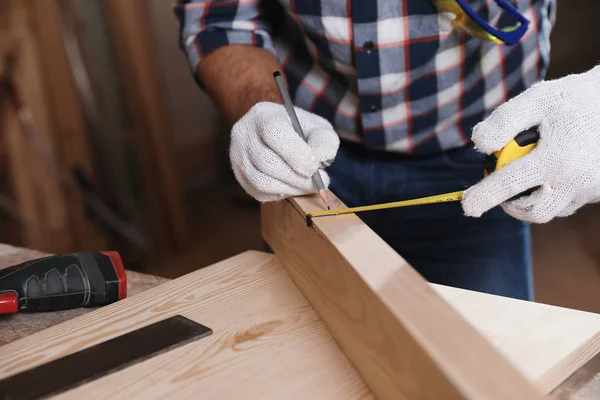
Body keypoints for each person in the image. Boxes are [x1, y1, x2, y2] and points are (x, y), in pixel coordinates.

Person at [175, 0, 600, 300]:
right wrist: (258, 106)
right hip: (309, 161)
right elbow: (219, 14)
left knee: (493, 368)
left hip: (481, 163)